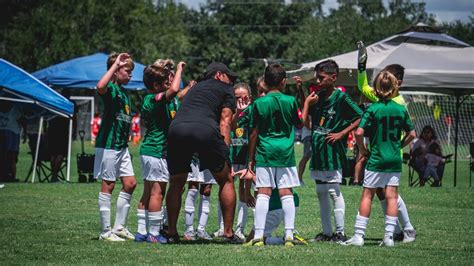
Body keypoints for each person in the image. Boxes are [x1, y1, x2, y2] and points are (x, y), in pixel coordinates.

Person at [165, 62, 239, 243]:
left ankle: (172, 233)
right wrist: (226, 153)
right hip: (205, 129)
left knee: (176, 182)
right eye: (230, 77)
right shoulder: (225, 88)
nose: (232, 81)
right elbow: (225, 121)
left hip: (177, 129)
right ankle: (228, 233)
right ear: (219, 75)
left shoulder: (194, 88)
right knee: (225, 180)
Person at [343, 71, 416, 247]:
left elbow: (359, 132)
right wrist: (399, 145)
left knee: (367, 194)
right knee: (392, 196)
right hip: (393, 160)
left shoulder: (373, 108)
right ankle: (389, 237)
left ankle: (359, 236)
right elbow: (412, 134)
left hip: (376, 158)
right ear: (394, 88)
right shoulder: (400, 109)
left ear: (376, 88)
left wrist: (362, 148)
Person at [301, 60, 362, 243]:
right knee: (321, 192)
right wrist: (301, 93)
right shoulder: (318, 96)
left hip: (332, 151)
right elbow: (306, 121)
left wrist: (342, 133)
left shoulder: (341, 98)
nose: (318, 81)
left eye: (321, 77)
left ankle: (340, 232)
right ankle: (327, 232)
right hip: (318, 150)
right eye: (317, 77)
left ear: (333, 77)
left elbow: (361, 116)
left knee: (334, 192)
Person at [243, 64, 303, 247]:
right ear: (284, 82)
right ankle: (289, 236)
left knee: (263, 193)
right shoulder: (290, 101)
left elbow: (253, 133)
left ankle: (258, 237)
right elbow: (299, 124)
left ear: (266, 82)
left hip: (265, 152)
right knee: (287, 193)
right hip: (285, 152)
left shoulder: (258, 103)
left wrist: (251, 160)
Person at [133, 59, 185, 244]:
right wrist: (179, 69)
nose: (170, 83)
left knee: (148, 192)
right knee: (157, 193)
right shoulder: (151, 98)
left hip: (151, 151)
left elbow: (176, 94)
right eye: (165, 82)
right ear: (156, 85)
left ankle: (141, 231)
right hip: (156, 151)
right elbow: (173, 92)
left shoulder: (161, 98)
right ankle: (154, 233)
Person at [94, 52, 137, 242]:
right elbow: (100, 86)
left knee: (130, 184)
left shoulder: (124, 93)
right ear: (117, 70)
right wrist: (115, 65)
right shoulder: (111, 88)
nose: (130, 75)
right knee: (108, 185)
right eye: (127, 71)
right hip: (109, 146)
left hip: (122, 146)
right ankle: (105, 231)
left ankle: (119, 227)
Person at [47, 89, 77, 183]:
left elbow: (47, 117)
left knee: (54, 153)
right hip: (62, 131)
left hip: (52, 130)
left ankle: (53, 175)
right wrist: (74, 130)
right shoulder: (71, 103)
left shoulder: (54, 102)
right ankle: (54, 176)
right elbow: (74, 117)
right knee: (60, 153)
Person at [0, 101, 23, 183]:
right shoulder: (14, 108)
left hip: (2, 131)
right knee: (12, 156)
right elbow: (21, 119)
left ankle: (4, 175)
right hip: (12, 132)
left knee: (4, 156)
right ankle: (12, 176)